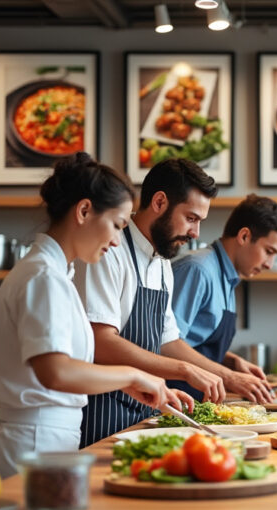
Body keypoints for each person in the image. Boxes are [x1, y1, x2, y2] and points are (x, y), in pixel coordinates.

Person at [0, 153, 179, 478]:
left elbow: (67, 369)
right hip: (30, 445)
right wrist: (132, 375)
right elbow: (55, 372)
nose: (115, 241)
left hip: (44, 442)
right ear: (84, 211)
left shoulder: (57, 275)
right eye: (116, 225)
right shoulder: (43, 277)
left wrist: (132, 386)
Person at [73, 158, 237, 447]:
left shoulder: (161, 262)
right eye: (191, 218)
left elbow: (167, 340)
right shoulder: (109, 249)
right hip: (101, 414)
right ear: (160, 202)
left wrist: (216, 373)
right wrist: (184, 371)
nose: (196, 233)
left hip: (142, 412)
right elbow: (100, 341)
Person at [171, 194, 277, 400]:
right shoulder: (198, 270)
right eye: (268, 251)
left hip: (197, 401)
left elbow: (194, 342)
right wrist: (229, 377)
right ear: (244, 236)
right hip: (173, 401)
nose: (269, 264)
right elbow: (166, 344)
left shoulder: (227, 275)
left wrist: (230, 361)